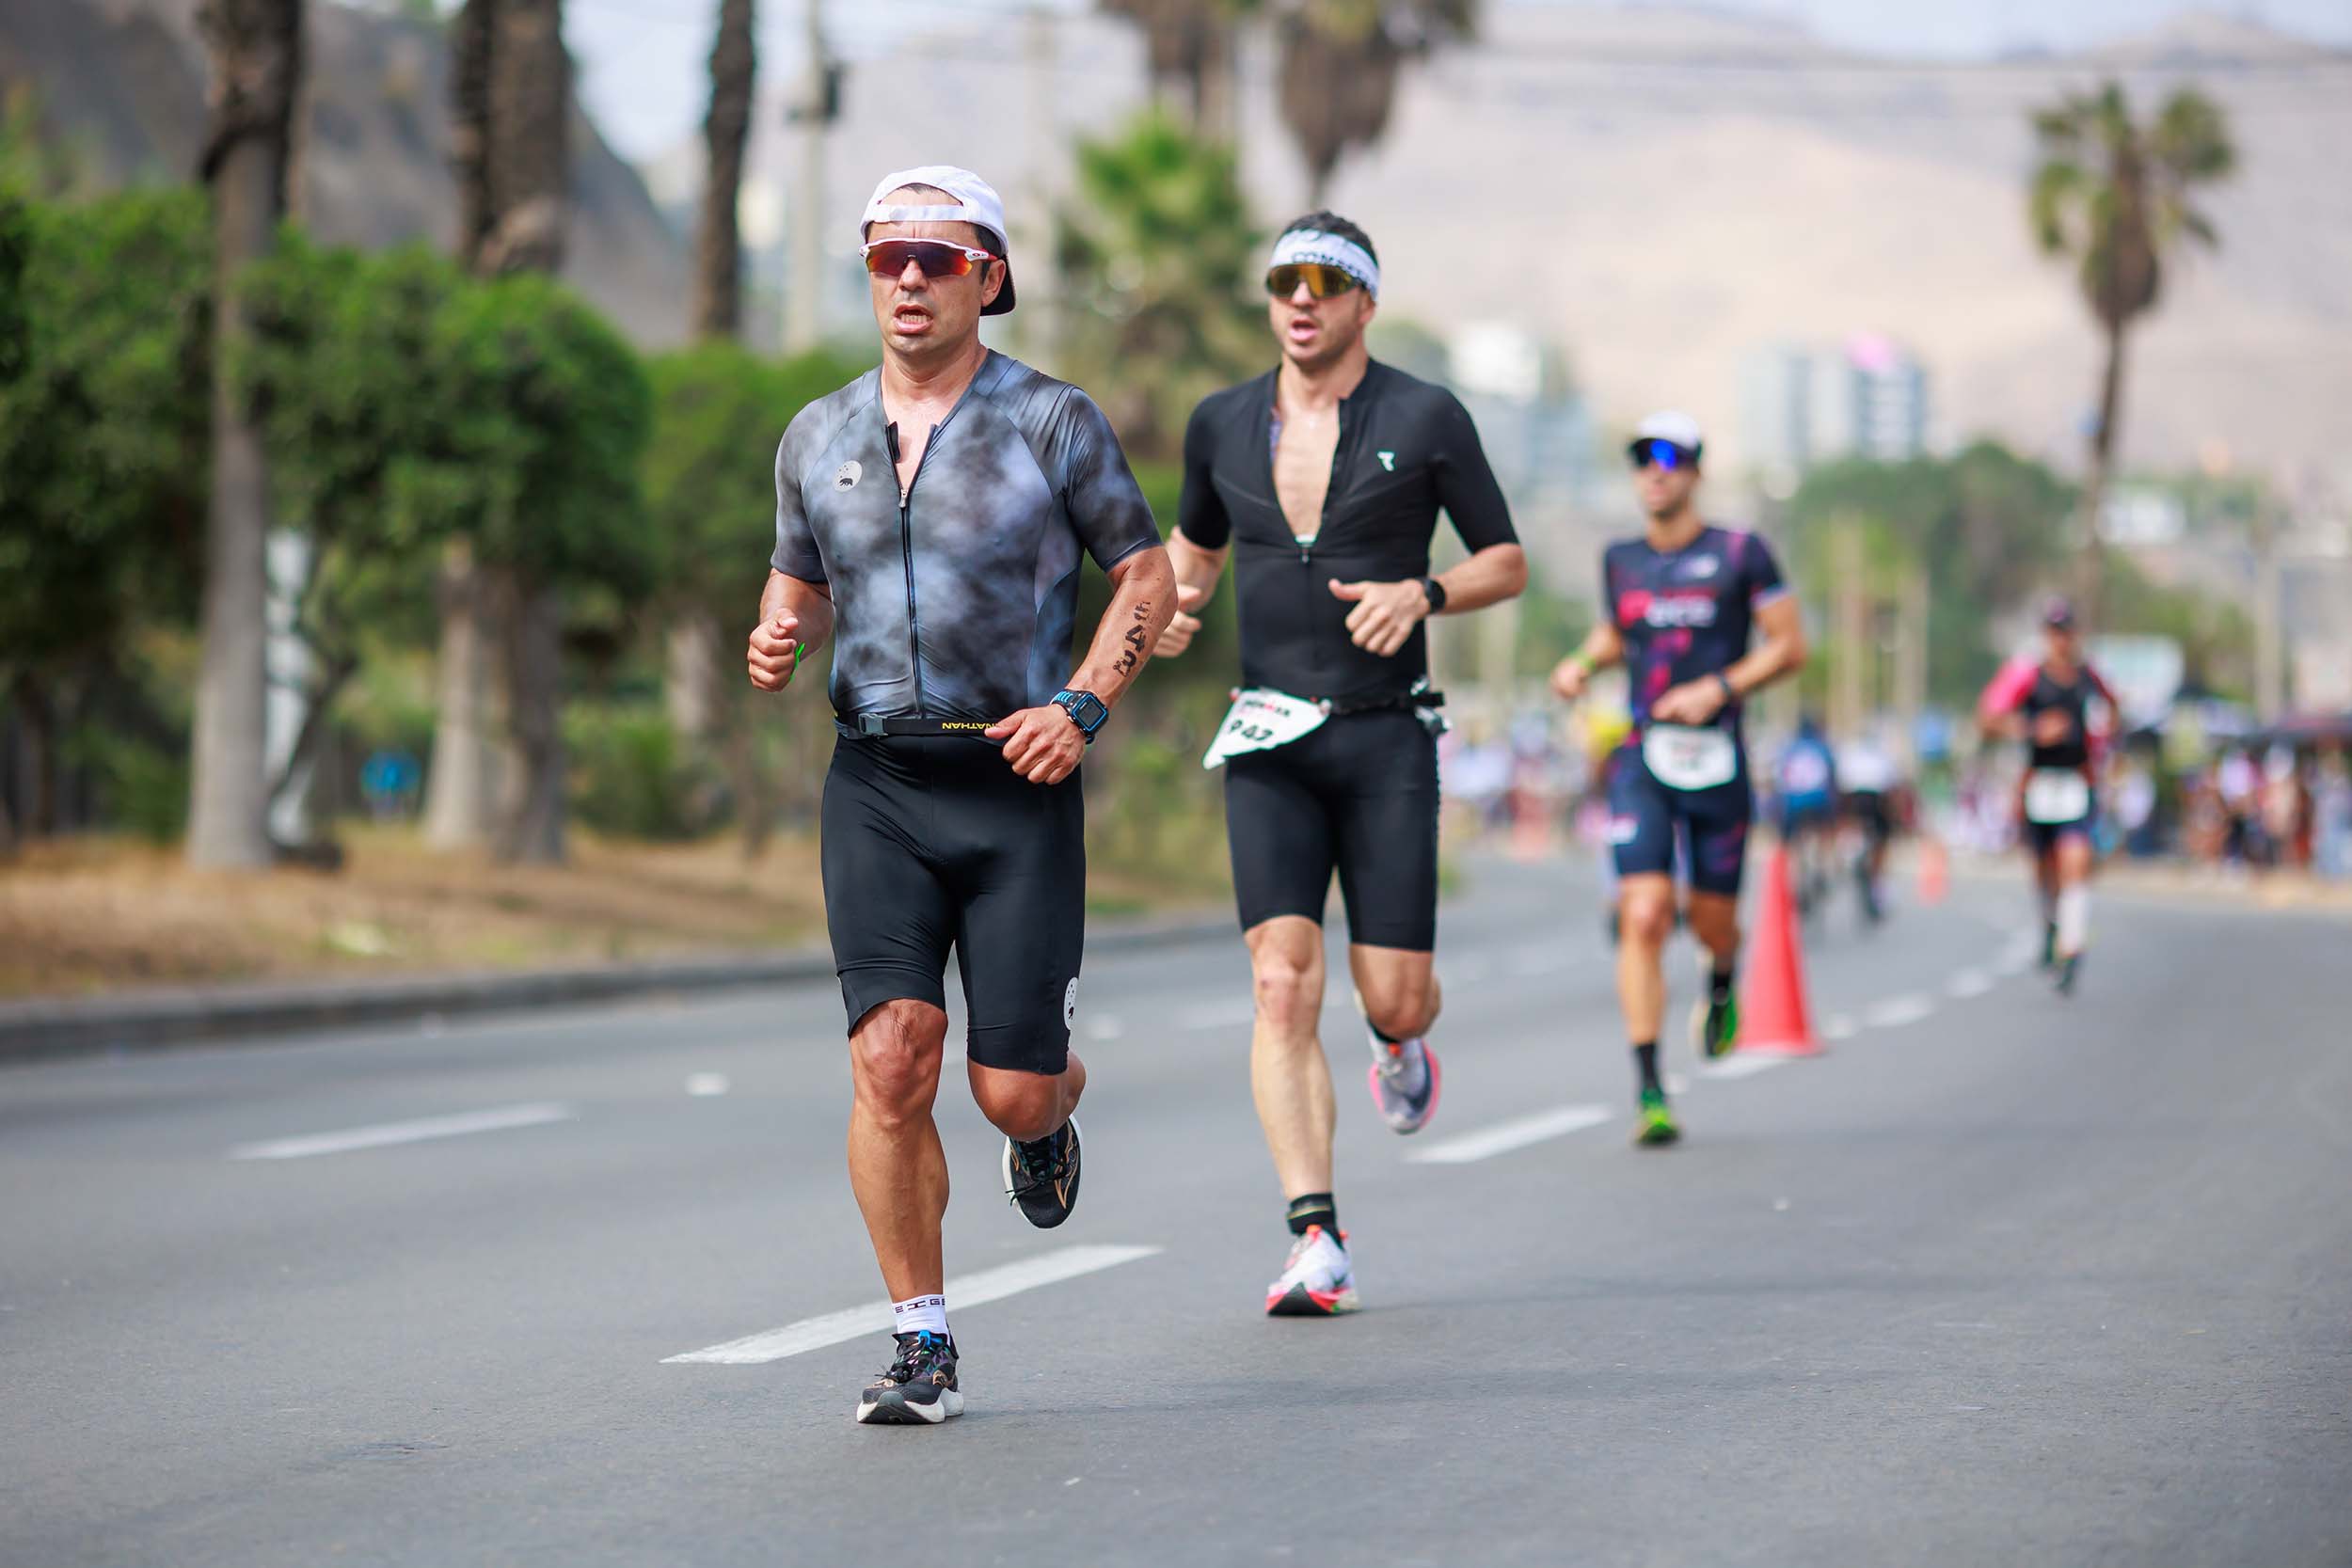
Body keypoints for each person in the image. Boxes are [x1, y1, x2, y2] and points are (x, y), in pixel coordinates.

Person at [745, 166, 1175, 1424]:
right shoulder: (815, 436)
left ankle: (1048, 1121)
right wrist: (780, 633)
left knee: (1008, 1087)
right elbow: (802, 586)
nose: (912, 280)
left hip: (1015, 779)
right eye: (888, 258)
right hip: (875, 776)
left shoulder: (1052, 421)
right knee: (892, 1058)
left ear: (989, 274)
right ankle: (921, 1338)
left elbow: (1144, 582)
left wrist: (1082, 705)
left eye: (937, 258)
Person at [1153, 211, 1526, 1316]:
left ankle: (1397, 1039)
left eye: (1326, 280)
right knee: (1278, 981)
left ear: (1366, 302)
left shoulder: (1425, 414)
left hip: (1383, 733)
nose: (1300, 299)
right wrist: (1170, 609)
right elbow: (1195, 555)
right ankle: (1315, 1235)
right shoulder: (1220, 421)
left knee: (1396, 991)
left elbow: (1503, 557)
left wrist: (1426, 591)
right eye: (1283, 280)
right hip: (1267, 732)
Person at [1550, 411, 1805, 1146]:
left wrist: (1718, 689)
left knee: (1710, 920)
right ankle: (1650, 1087)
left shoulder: (1740, 552)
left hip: (1718, 759)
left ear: (1695, 470)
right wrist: (1583, 661)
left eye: (1671, 457)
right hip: (1643, 755)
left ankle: (1722, 974)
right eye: (1641, 458)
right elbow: (1617, 628)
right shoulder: (1620, 559)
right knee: (1644, 912)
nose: (1655, 469)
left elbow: (1789, 647)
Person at [1977, 596, 2112, 995]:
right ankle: (2050, 923)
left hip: (2077, 783)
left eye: (2066, 631)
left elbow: (2115, 709)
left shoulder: (2091, 676)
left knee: (2077, 861)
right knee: (2045, 869)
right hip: (2039, 785)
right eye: (2053, 632)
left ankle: (2072, 945)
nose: (2060, 640)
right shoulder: (2026, 676)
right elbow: (1988, 718)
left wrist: (2103, 745)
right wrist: (2032, 728)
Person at [1774, 715, 1840, 917]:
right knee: (1827, 833)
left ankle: (1796, 879)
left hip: (1793, 805)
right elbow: (1832, 776)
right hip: (1819, 802)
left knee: (1789, 843)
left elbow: (1781, 780)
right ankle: (1822, 869)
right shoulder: (1822, 747)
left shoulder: (1789, 749)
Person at [1836, 725, 1902, 924]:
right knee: (1882, 842)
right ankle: (1875, 875)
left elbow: (1842, 789)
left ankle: (1853, 849)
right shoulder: (1883, 757)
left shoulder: (1851, 755)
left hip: (1856, 801)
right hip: (1874, 801)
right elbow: (1892, 790)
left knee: (1858, 827)